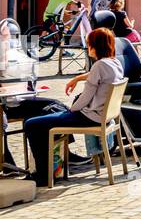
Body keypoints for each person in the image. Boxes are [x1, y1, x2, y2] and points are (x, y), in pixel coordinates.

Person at [22, 27, 124, 187]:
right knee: (52, 115)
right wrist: (78, 78)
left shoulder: (99, 66)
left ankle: (42, 174)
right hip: (104, 116)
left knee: (32, 124)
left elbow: (85, 98)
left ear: (95, 46)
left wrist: (72, 109)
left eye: (89, 44)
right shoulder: (115, 63)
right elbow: (93, 76)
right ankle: (54, 167)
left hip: (89, 117)